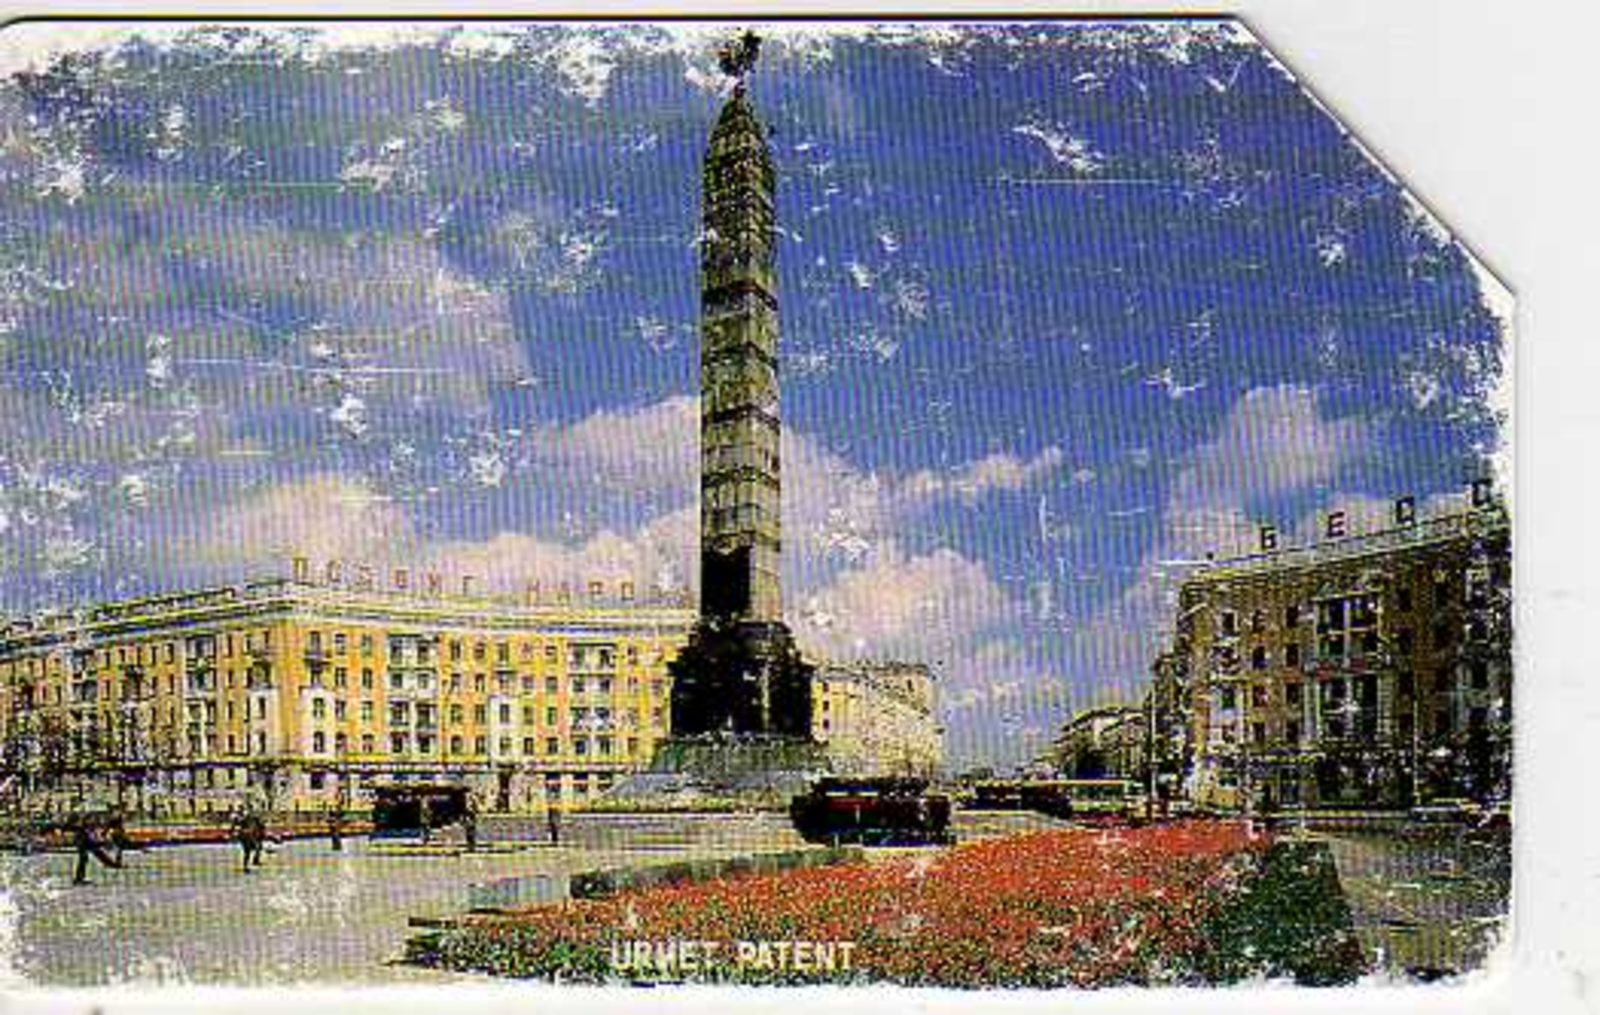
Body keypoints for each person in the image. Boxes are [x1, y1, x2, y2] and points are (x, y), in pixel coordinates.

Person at [71, 813, 122, 886]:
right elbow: (88, 838)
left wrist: (101, 841)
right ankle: (79, 878)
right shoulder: (83, 828)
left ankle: (112, 864)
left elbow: (94, 837)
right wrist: (101, 842)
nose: (93, 821)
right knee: (84, 858)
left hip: (88, 844)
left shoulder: (91, 827)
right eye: (91, 819)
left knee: (95, 854)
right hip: (84, 844)